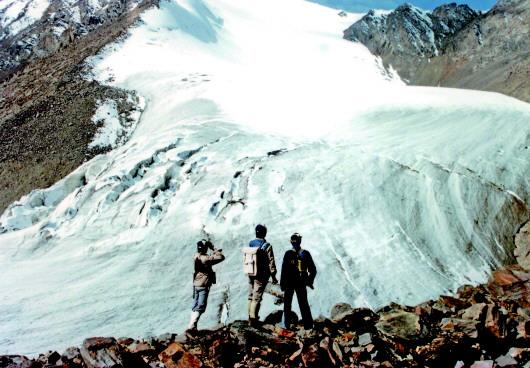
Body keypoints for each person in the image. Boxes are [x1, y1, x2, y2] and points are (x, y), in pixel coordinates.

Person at [280, 232, 317, 330]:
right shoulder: (305, 253)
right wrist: (309, 281)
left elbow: (284, 270)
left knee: (287, 304)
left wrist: (282, 284)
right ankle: (308, 326)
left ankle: (285, 325)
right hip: (301, 282)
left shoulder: (288, 254)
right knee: (304, 304)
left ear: (291, 242)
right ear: (300, 241)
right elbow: (313, 269)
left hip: (289, 282)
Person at [188, 239, 225, 331]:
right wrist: (214, 248)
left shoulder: (196, 256)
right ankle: (192, 326)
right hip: (203, 284)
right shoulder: (206, 259)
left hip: (196, 283)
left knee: (196, 305)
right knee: (201, 306)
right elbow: (221, 257)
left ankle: (192, 325)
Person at [247, 224, 278, 326]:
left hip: (251, 273)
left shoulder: (251, 243)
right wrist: (273, 276)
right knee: (257, 297)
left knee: (251, 296)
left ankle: (249, 317)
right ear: (264, 233)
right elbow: (271, 262)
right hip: (261, 275)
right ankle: (253, 320)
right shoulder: (267, 246)